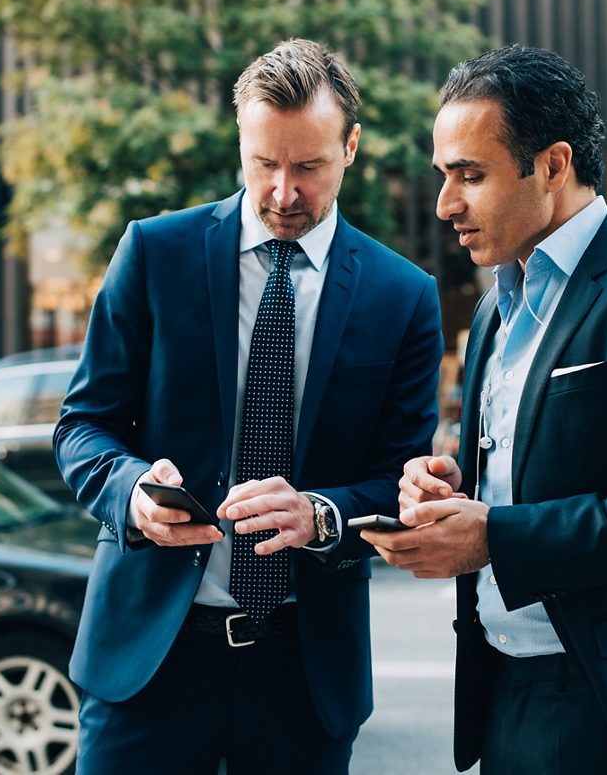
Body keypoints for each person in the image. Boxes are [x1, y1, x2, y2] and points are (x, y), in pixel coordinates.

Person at [363, 45, 607, 774]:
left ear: (552, 164)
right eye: (443, 177)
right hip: (506, 696)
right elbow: (526, 473)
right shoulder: (493, 309)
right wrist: (451, 491)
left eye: (469, 175)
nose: (447, 204)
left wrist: (497, 536)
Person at [54, 38, 443, 774]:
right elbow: (83, 425)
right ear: (240, 143)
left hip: (304, 669)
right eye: (264, 164)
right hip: (149, 663)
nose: (283, 193)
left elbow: (400, 479)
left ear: (351, 145)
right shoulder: (153, 253)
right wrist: (130, 491)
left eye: (309, 166)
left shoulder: (405, 298)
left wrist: (322, 513)